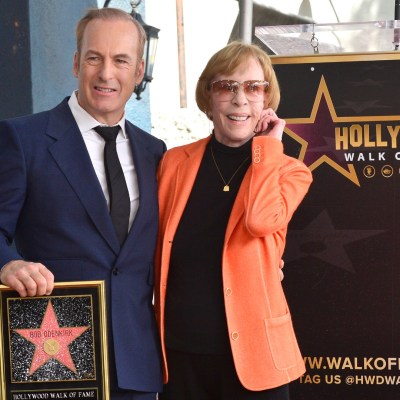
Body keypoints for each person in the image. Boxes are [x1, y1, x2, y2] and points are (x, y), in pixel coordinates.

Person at [0, 7, 164, 400]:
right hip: (51, 358)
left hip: (137, 367)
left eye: (121, 60)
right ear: (77, 63)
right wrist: (8, 262)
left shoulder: (155, 153)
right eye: (95, 58)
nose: (107, 73)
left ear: (138, 71)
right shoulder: (24, 140)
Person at [154, 41, 313, 400]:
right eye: (227, 86)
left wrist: (268, 147)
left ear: (266, 100)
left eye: (254, 87)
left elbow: (259, 221)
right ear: (208, 98)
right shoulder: (173, 163)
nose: (241, 99)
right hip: (180, 358)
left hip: (256, 361)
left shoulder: (289, 171)